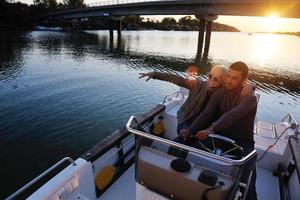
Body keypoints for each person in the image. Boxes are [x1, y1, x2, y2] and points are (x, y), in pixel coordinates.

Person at [182, 61, 258, 200]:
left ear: (244, 80)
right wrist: (190, 130)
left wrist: (210, 129)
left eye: (234, 78)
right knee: (181, 142)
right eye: (228, 76)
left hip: (243, 141)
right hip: (220, 134)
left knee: (248, 180)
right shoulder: (220, 92)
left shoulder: (250, 97)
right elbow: (206, 113)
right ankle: (174, 178)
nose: (228, 80)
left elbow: (232, 115)